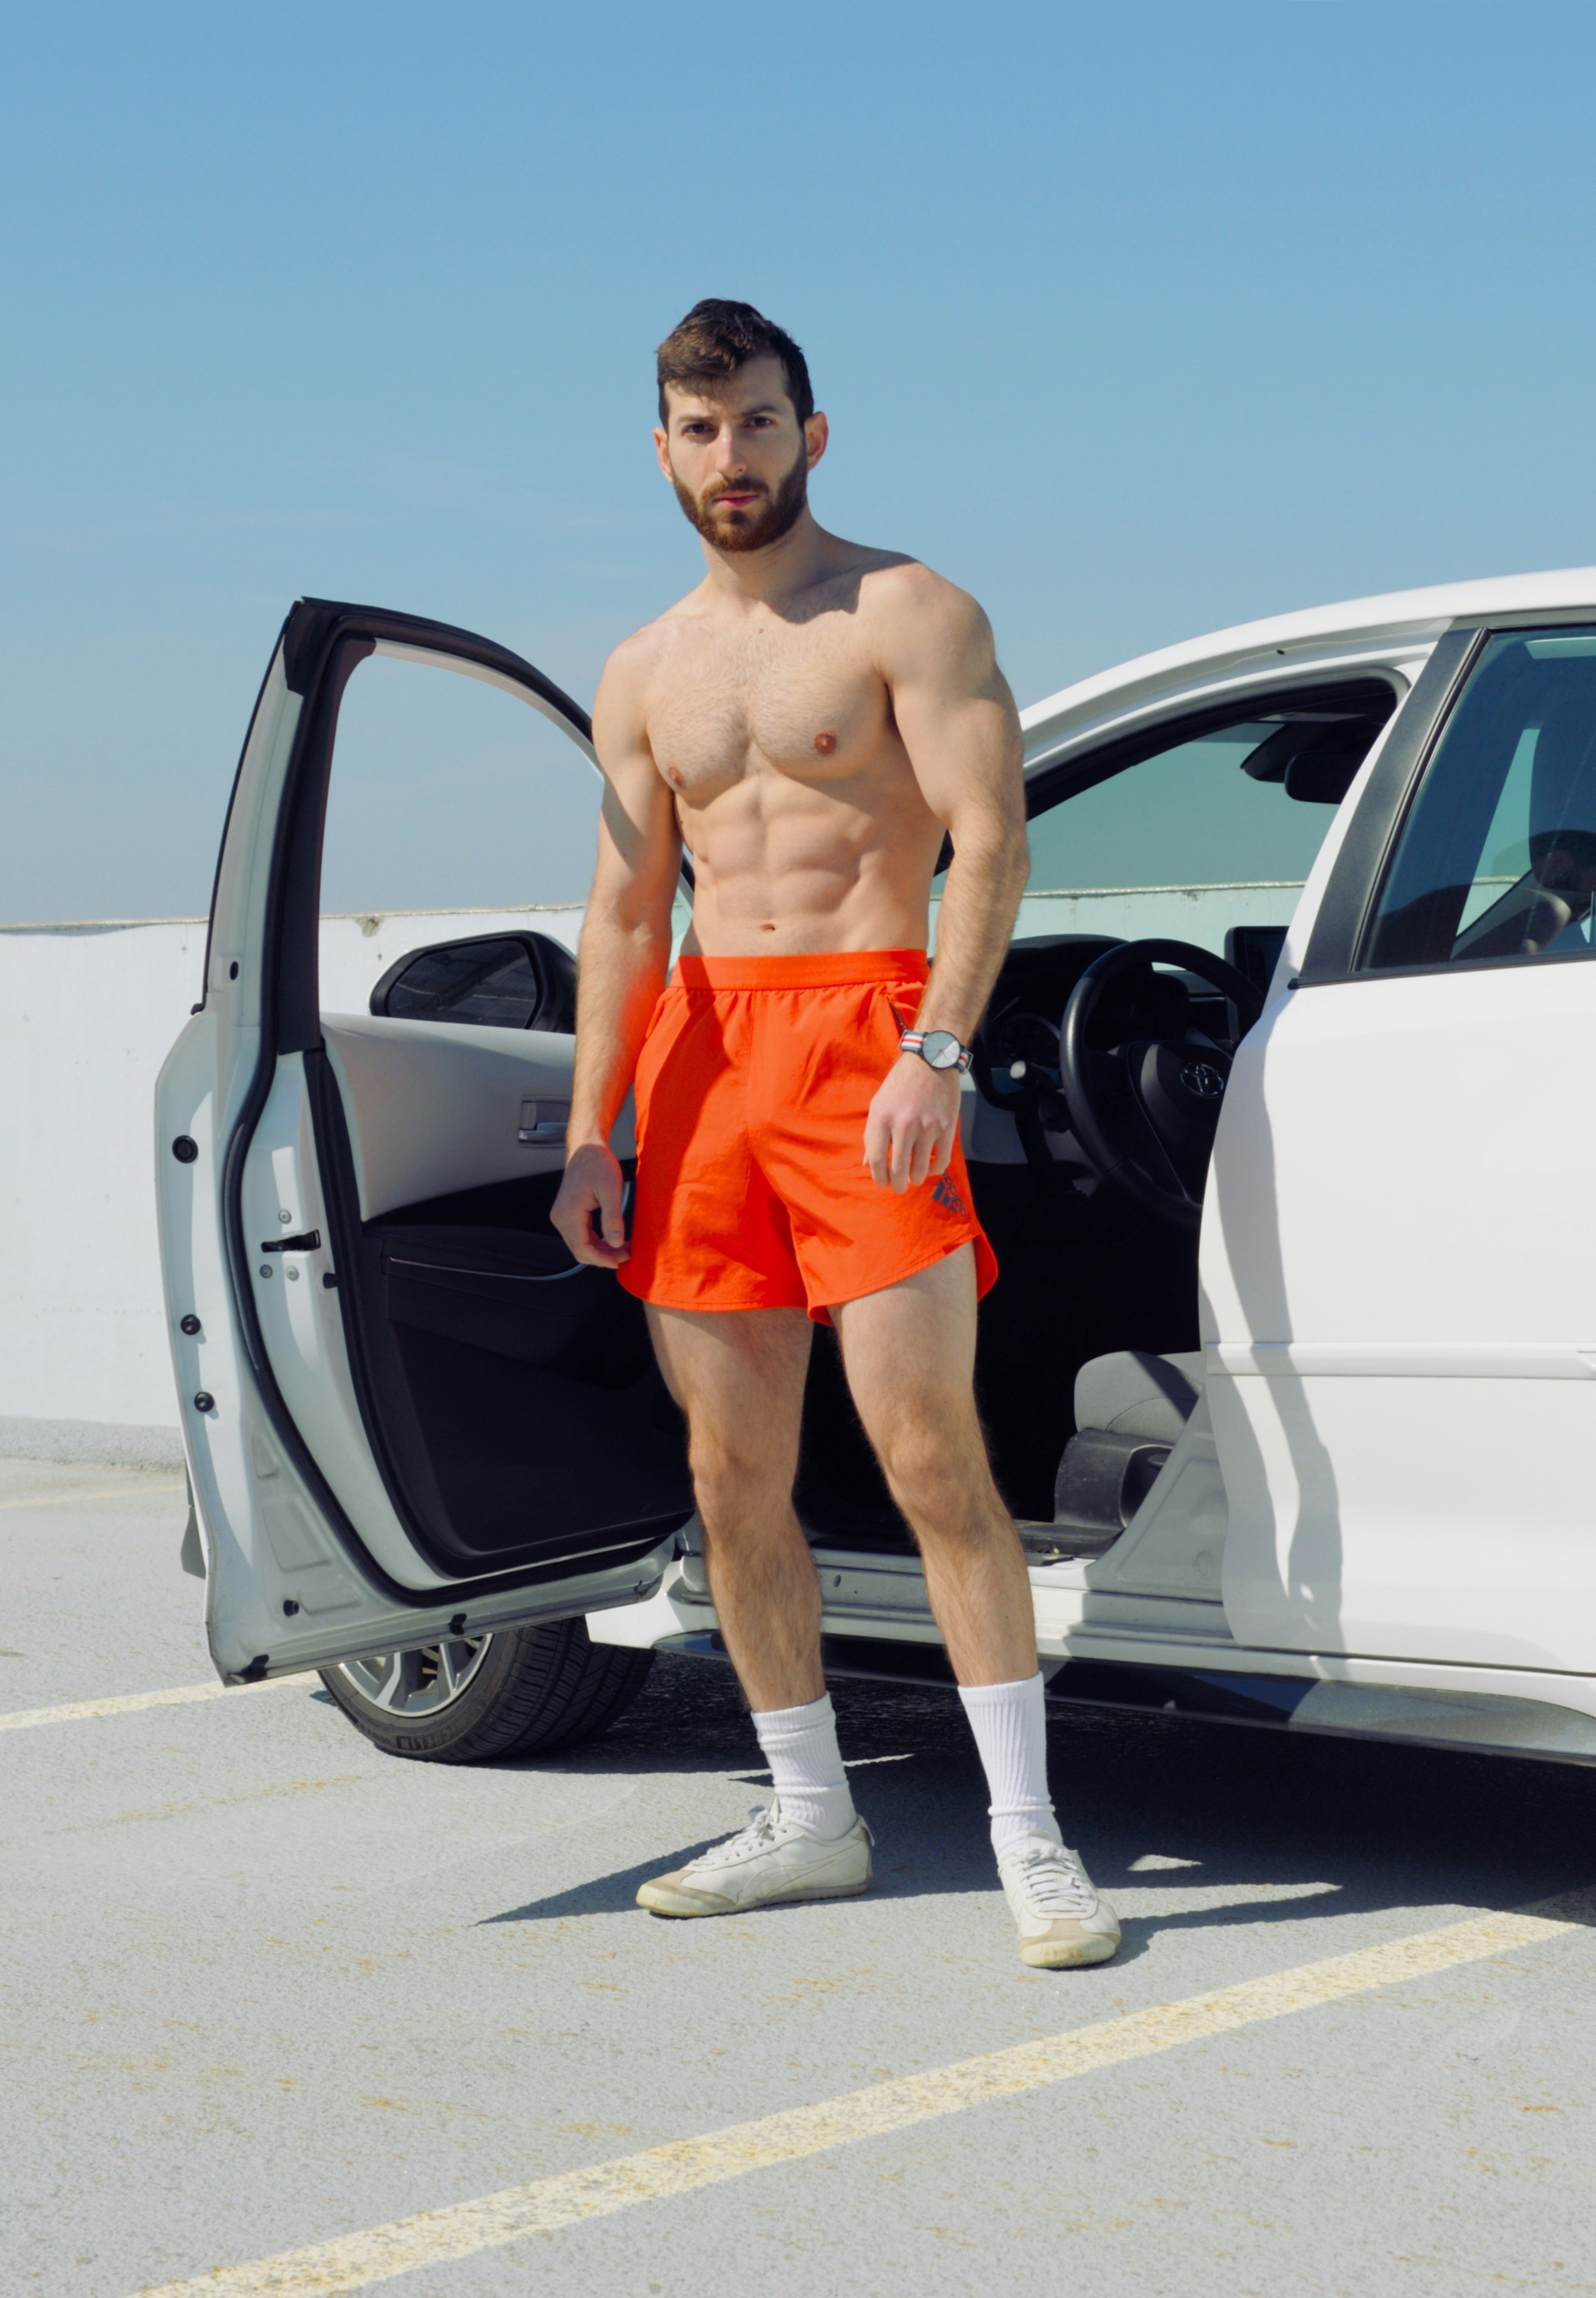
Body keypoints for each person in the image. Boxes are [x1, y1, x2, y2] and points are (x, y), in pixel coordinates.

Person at [551, 299, 1118, 1969]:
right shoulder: (644, 667)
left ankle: (1030, 1836)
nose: (734, 458)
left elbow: (990, 842)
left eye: (761, 423)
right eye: (701, 429)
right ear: (662, 449)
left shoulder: (905, 610)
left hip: (870, 1032)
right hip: (704, 1061)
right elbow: (618, 913)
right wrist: (596, 1127)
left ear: (814, 430)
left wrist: (936, 1045)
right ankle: (810, 1813)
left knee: (928, 1452)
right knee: (731, 1476)